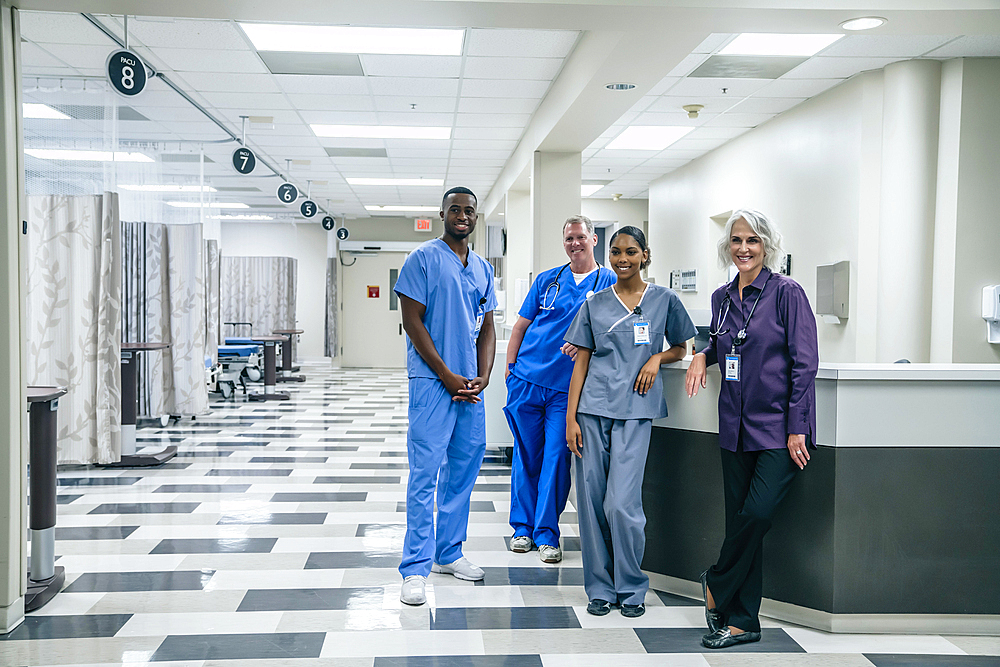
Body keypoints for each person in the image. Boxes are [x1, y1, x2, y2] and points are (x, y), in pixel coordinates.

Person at [685, 209, 818, 649]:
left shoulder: (786, 293)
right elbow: (724, 341)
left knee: (757, 515)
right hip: (734, 427)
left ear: (767, 246)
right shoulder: (723, 297)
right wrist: (705, 354)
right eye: (737, 240)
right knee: (743, 524)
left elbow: (805, 363)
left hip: (779, 431)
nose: (744, 248)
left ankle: (716, 582)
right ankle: (743, 621)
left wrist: (797, 427)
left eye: (753, 241)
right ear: (728, 246)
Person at [565, 226, 696, 618]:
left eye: (631, 252)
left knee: (621, 504)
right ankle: (600, 588)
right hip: (592, 411)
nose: (623, 259)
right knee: (590, 503)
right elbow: (581, 363)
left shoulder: (663, 300)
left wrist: (657, 359)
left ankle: (631, 586)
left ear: (645, 255)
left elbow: (681, 346)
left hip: (635, 411)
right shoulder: (595, 303)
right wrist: (570, 417)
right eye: (616, 252)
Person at [393, 186, 497, 606]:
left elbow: (487, 325)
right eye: (454, 209)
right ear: (442, 214)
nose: (462, 215)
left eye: (469, 210)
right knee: (424, 475)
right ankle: (414, 568)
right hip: (433, 384)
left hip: (470, 388)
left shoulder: (484, 268)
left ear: (476, 217)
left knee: (463, 472)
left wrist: (484, 374)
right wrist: (446, 374)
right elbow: (412, 322)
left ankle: (448, 553)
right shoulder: (421, 260)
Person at [504, 215, 617, 563]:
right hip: (526, 380)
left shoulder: (609, 281)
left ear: (594, 239)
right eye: (569, 239)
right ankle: (521, 529)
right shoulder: (547, 279)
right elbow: (521, 326)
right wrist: (510, 370)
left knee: (556, 458)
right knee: (526, 456)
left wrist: (589, 344)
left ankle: (547, 533)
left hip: (566, 391)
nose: (575, 244)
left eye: (581, 237)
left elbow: (616, 333)